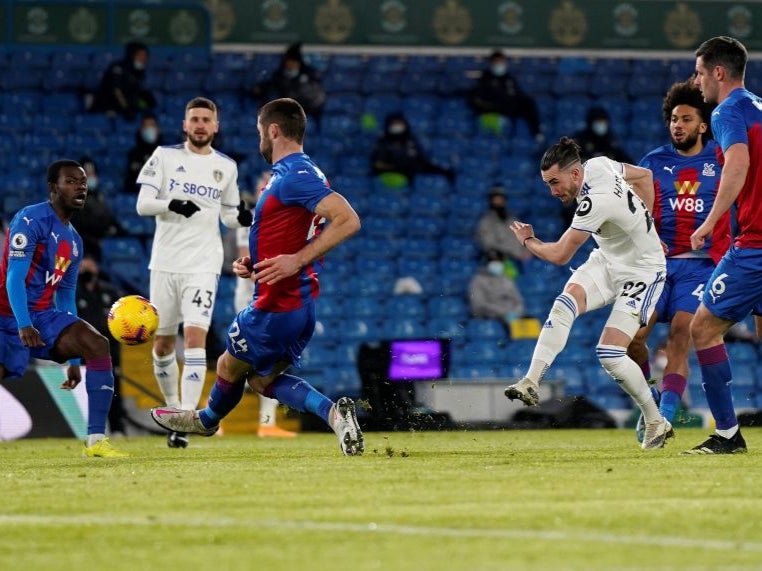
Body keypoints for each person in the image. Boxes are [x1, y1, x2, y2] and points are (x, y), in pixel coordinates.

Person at [150, 97, 365, 456]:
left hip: (276, 306)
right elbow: (294, 231)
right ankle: (334, 414)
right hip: (299, 306)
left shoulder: (293, 176)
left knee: (226, 366)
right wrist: (255, 263)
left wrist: (296, 260)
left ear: (273, 131)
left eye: (259, 133)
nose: (259, 140)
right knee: (262, 379)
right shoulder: (303, 171)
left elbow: (348, 219)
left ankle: (204, 420)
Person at [504, 137, 671, 450]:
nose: (553, 191)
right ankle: (531, 380)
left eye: (555, 182)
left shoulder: (596, 202)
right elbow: (645, 176)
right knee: (564, 303)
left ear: (575, 174)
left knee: (609, 353)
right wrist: (648, 226)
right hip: (608, 261)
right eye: (547, 184)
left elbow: (559, 256)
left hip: (643, 273)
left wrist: (528, 240)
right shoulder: (600, 164)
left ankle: (655, 420)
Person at [136, 96, 253, 449]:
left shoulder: (226, 167)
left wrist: (242, 217)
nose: (200, 124)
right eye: (195, 119)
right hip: (165, 264)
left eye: (206, 119)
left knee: (196, 337)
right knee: (162, 344)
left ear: (215, 126)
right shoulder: (164, 156)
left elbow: (229, 214)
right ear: (185, 125)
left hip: (203, 265)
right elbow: (142, 204)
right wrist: (171, 203)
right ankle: (174, 410)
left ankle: (187, 416)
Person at [0, 160, 127, 457]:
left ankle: (96, 440)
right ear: (53, 187)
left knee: (96, 343)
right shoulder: (31, 220)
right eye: (71, 181)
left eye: (82, 182)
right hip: (7, 312)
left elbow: (66, 295)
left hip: (42, 317)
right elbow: (14, 277)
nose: (80, 186)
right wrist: (23, 324)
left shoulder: (74, 241)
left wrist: (73, 358)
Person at [627, 80, 731, 443]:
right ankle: (651, 403)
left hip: (700, 267)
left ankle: (663, 421)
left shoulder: (721, 159)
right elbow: (633, 210)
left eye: (686, 119)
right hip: (657, 266)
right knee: (633, 339)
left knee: (679, 338)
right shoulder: (652, 163)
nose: (678, 125)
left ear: (703, 126)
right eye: (674, 118)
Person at [684, 36, 762, 454]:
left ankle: (728, 435)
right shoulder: (759, 105)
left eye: (699, 72)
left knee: (703, 328)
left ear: (718, 72)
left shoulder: (727, 110)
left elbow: (738, 164)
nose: (696, 82)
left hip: (756, 246)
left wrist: (711, 222)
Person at [233, 170, 297, 438]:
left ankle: (267, 423)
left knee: (267, 360)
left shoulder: (284, 221)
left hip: (274, 298)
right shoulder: (250, 220)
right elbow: (245, 261)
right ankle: (225, 417)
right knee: (245, 360)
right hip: (253, 298)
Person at [76, 254, 128, 435]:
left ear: (96, 266)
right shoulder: (73, 293)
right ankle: (87, 430)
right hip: (83, 354)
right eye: (81, 265)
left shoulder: (110, 292)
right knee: (86, 393)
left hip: (110, 353)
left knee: (113, 392)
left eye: (88, 264)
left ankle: (118, 430)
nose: (85, 268)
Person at [468, 50, 543, 141]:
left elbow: (518, 95)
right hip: (492, 109)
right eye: (497, 62)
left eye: (502, 62)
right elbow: (477, 99)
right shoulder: (485, 79)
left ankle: (537, 134)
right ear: (492, 63)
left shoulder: (509, 78)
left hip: (509, 108)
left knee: (528, 103)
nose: (500, 64)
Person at [370, 113, 455, 187]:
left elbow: (421, 159)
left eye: (400, 123)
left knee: (444, 171)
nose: (397, 126)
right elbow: (378, 164)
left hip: (416, 170)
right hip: (395, 173)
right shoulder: (383, 143)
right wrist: (397, 167)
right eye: (394, 124)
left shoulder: (411, 140)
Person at [253, 43, 326, 122]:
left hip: (308, 110)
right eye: (289, 62)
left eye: (294, 62)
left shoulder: (310, 75)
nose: (291, 65)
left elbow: (316, 97)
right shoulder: (279, 76)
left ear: (299, 63)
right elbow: (272, 88)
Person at [71, 156, 122, 261]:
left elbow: (110, 220)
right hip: (84, 252)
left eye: (93, 174)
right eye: (87, 175)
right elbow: (78, 229)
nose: (91, 178)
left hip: (98, 249)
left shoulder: (100, 198)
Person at [90, 41, 156, 120]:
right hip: (107, 108)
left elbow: (138, 92)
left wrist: (148, 104)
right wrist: (126, 108)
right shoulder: (118, 68)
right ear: (132, 55)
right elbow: (116, 90)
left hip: (125, 110)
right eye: (140, 55)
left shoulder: (139, 72)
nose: (144, 59)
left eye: (145, 56)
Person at [467, 250, 525, 336]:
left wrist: (516, 313)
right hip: (490, 321)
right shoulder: (477, 281)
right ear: (486, 264)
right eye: (492, 261)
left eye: (499, 261)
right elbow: (478, 305)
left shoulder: (507, 279)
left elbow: (519, 301)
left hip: (513, 320)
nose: (497, 264)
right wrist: (503, 313)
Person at [475, 185, 532, 267]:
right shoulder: (486, 221)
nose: (498, 202)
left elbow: (523, 240)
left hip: (517, 260)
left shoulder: (513, 220)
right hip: (498, 260)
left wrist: (525, 252)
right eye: (496, 199)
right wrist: (510, 252)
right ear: (491, 201)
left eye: (501, 199)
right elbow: (489, 245)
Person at [124, 113, 163, 193]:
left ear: (158, 129)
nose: (149, 129)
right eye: (146, 126)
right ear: (141, 130)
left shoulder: (166, 152)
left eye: (152, 125)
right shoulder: (134, 154)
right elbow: (130, 181)